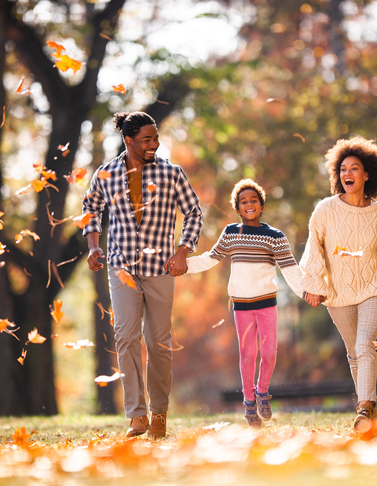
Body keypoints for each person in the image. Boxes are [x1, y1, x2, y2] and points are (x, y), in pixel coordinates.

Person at [82, 111, 203, 440]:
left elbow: (193, 211)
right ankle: (136, 416)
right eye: (147, 139)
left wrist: (183, 250)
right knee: (125, 338)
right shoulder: (106, 174)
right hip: (122, 268)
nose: (155, 143)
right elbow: (90, 208)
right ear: (129, 140)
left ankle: (159, 414)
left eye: (156, 137)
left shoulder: (171, 173)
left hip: (162, 267)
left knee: (158, 343)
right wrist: (94, 247)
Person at [299, 136, 377, 431]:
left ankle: (364, 408)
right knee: (355, 352)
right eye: (342, 169)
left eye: (354, 168)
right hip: (338, 292)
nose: (347, 174)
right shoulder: (325, 211)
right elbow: (314, 249)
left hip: (374, 287)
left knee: (366, 345)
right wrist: (313, 285)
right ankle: (370, 409)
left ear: (367, 174)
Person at [185, 179, 305, 428]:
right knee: (248, 354)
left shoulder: (275, 237)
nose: (249, 204)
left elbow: (291, 271)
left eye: (253, 201)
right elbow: (210, 259)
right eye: (243, 202)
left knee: (269, 353)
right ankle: (249, 403)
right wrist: (183, 266)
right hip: (242, 305)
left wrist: (308, 293)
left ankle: (262, 393)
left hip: (266, 304)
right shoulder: (231, 233)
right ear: (237, 209)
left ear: (261, 206)